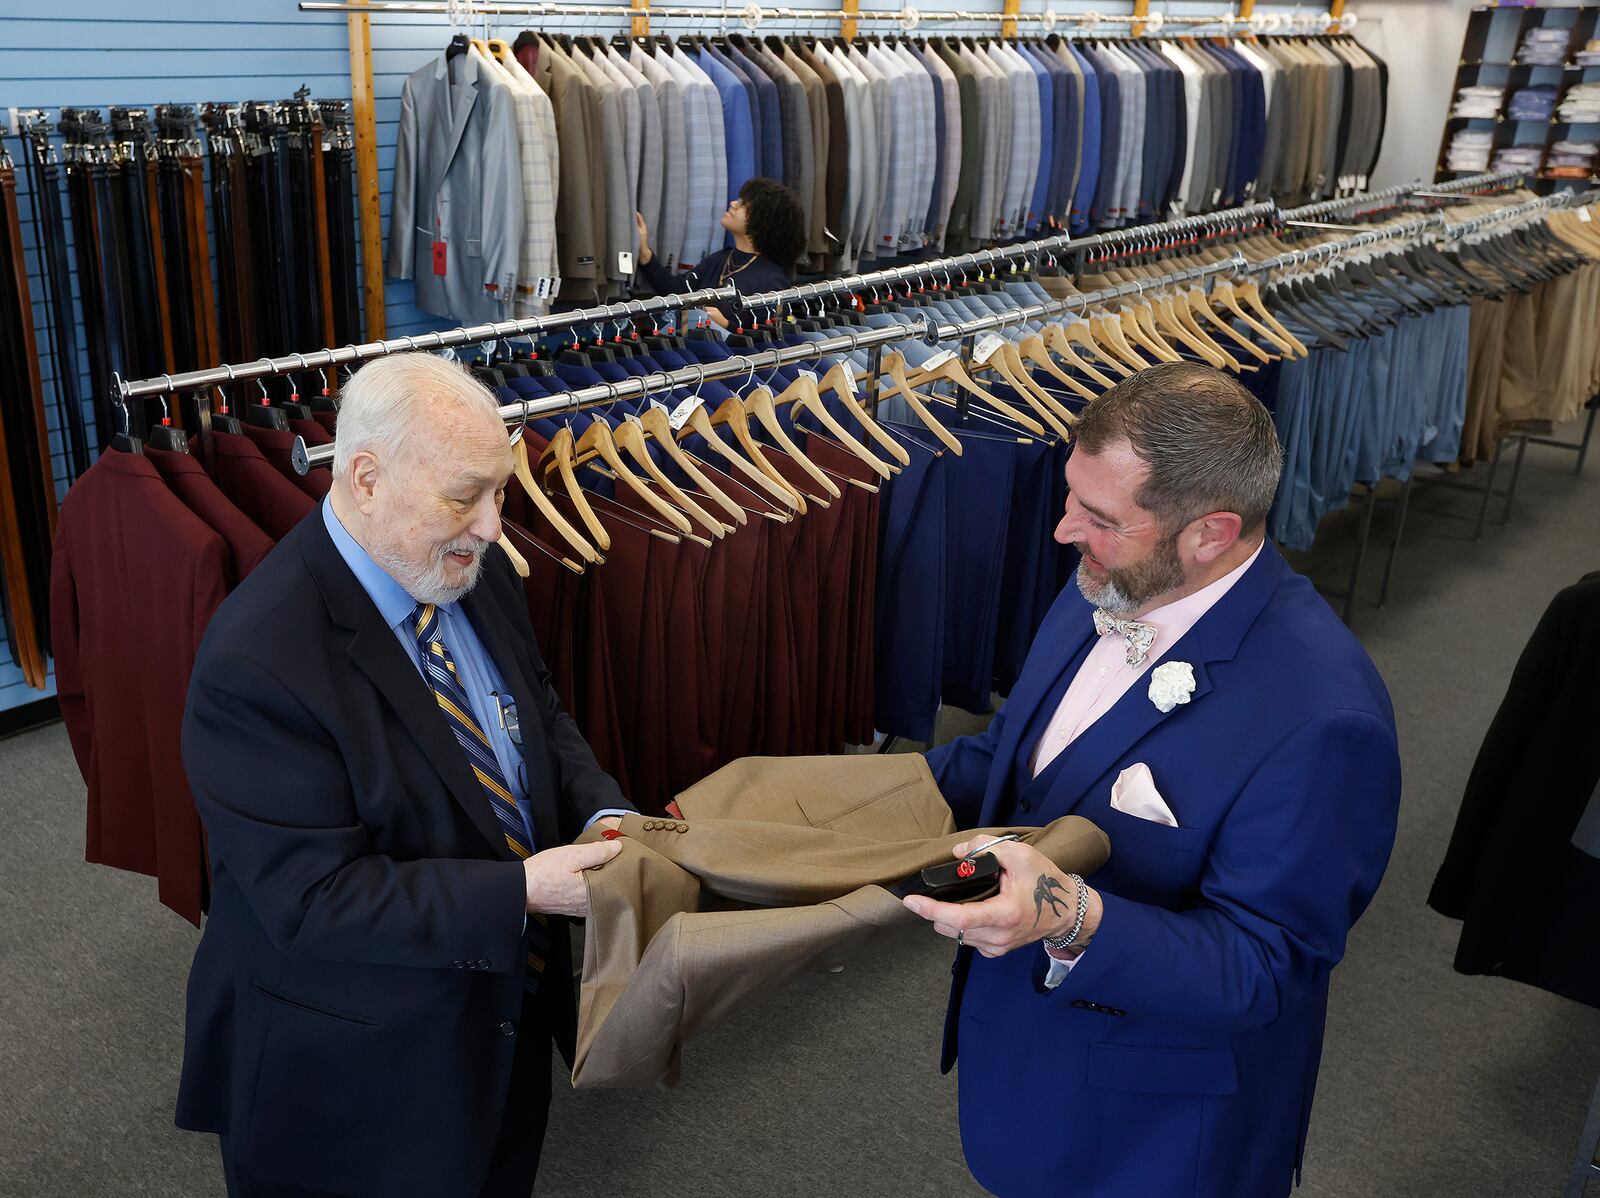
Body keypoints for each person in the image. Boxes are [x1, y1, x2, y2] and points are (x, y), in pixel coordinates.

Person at [901, 363, 1401, 1197]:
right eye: (1071, 498)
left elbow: (1264, 965)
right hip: (1030, 1069)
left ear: (1210, 532)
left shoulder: (1324, 718)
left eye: (1098, 517)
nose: (1062, 531)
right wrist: (804, 811)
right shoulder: (1112, 579)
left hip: (1157, 1136)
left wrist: (1073, 917)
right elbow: (1015, 763)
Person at [175, 353, 632, 1197]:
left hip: (497, 1021)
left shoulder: (467, 569)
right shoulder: (255, 661)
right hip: (353, 1074)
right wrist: (523, 894)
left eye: (500, 492)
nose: (495, 526)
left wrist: (604, 814)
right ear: (366, 479)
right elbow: (314, 899)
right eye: (466, 496)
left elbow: (537, 713)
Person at [635, 175, 805, 329]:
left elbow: (772, 341)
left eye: (743, 205)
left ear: (763, 220)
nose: (733, 204)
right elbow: (679, 292)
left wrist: (726, 326)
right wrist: (644, 253)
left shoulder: (772, 280)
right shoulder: (720, 259)